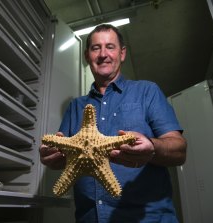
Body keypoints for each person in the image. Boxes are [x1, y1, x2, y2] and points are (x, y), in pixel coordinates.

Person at [39, 24, 187, 223]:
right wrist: (51, 155)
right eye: (95, 48)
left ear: (122, 53)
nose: (103, 54)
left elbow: (179, 150)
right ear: (87, 56)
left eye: (110, 46)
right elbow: (64, 158)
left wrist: (152, 147)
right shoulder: (76, 106)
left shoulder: (147, 91)